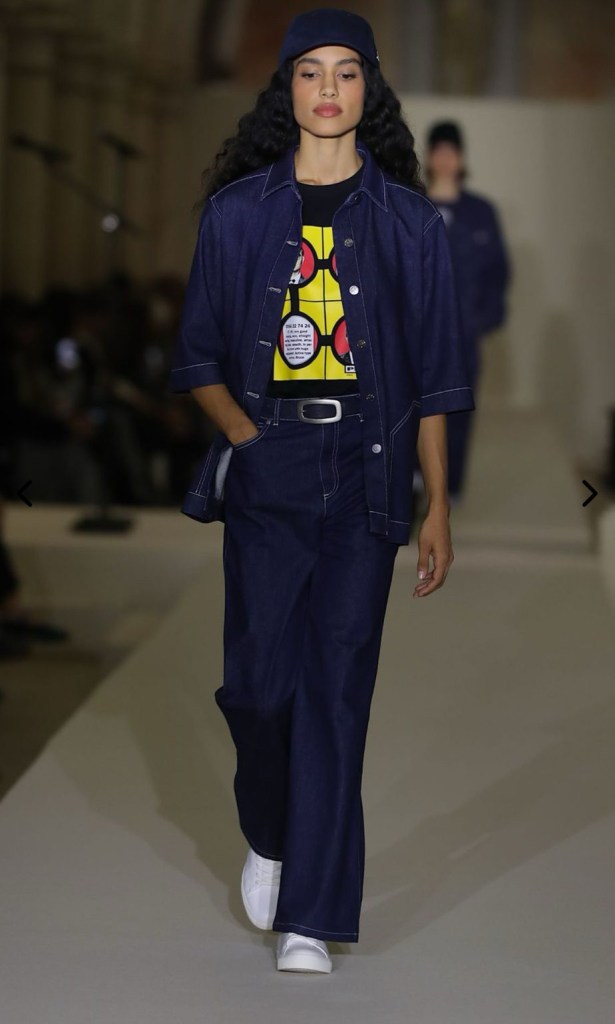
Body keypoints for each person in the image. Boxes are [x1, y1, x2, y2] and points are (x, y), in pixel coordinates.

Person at [168, 8, 475, 974]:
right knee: (258, 689)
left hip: (369, 467)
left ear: (368, 88)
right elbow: (198, 357)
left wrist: (436, 501)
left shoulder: (409, 223)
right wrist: (246, 439)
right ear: (288, 88)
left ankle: (311, 915)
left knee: (338, 692)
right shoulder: (236, 215)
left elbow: (435, 378)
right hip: (273, 463)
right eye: (311, 71)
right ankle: (270, 833)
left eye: (347, 71)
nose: (330, 88)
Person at [422, 120, 510, 504]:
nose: (444, 159)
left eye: (451, 151)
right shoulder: (414, 204)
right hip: (418, 332)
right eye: (438, 151)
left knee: (458, 410)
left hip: (463, 334)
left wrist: (483, 320)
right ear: (429, 157)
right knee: (412, 408)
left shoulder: (480, 212)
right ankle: (414, 482)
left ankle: (450, 486)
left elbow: (498, 272)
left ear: (460, 158)